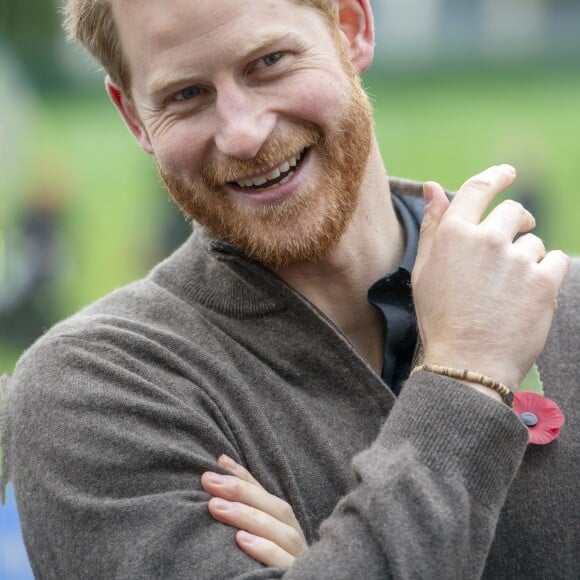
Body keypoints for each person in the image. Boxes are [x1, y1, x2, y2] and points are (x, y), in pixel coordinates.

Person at [1, 1, 578, 578]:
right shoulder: (100, 391)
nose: (244, 134)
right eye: (185, 95)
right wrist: (464, 373)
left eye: (269, 61)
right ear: (134, 119)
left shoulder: (569, 307)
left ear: (352, 29)